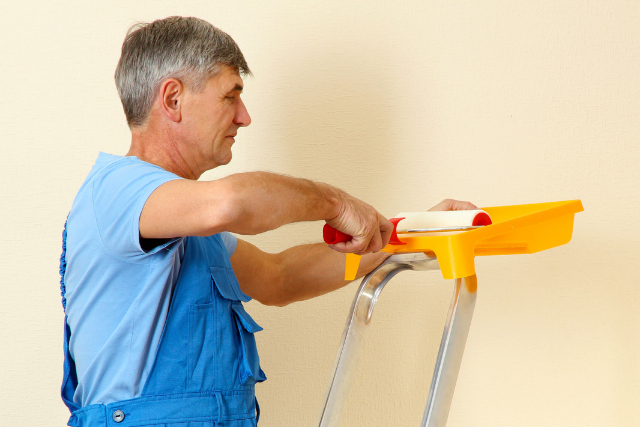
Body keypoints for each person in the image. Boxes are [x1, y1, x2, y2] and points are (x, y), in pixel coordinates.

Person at [58, 16, 477, 427]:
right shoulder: (117, 189)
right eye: (230, 96)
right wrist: (334, 203)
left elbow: (280, 278)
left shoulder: (188, 229)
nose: (244, 116)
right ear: (172, 99)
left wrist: (410, 232)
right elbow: (233, 203)